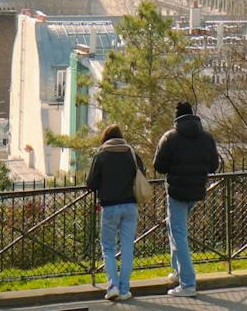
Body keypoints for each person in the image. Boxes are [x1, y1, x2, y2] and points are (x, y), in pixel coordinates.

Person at [153, 101, 220, 298]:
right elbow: (213, 165)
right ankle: (177, 271)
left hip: (176, 192)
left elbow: (159, 166)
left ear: (176, 117)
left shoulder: (170, 138)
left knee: (178, 234)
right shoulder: (206, 138)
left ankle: (188, 283)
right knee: (175, 230)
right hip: (197, 191)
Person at [86, 124, 147, 302]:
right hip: (130, 205)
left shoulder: (101, 155)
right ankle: (125, 289)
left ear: (105, 138)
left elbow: (91, 183)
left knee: (109, 247)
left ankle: (112, 285)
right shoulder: (132, 153)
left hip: (110, 206)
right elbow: (141, 174)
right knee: (127, 248)